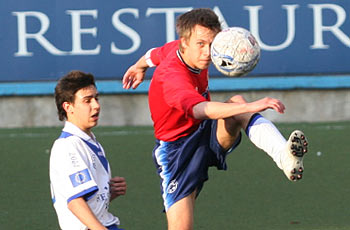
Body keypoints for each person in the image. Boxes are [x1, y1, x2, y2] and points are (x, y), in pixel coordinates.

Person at [122, 8, 308, 230]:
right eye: (201, 44)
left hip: (206, 132)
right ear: (184, 42)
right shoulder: (172, 77)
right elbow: (201, 109)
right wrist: (253, 105)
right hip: (177, 151)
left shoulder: (177, 48)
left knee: (236, 103)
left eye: (213, 44)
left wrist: (138, 66)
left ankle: (284, 156)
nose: (208, 52)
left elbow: (154, 54)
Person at [50, 70, 127, 230]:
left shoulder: (88, 141)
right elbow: (75, 202)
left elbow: (85, 200)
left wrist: (108, 192)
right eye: (87, 101)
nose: (96, 105)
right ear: (68, 107)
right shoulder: (68, 146)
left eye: (96, 98)